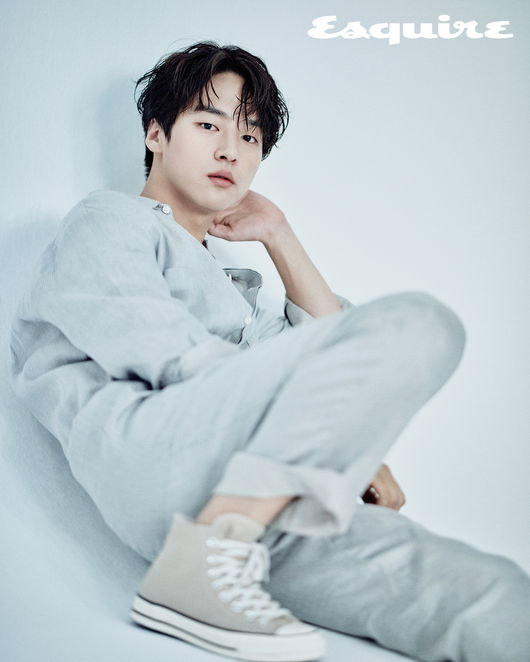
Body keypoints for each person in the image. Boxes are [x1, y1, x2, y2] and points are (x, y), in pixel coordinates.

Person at [8, 41, 530, 662]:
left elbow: (337, 346)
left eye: (251, 136)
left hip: (258, 511)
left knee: (493, 596)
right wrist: (338, 431)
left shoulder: (240, 295)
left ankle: (218, 552)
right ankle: (205, 561)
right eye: (209, 125)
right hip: (158, 456)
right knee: (422, 324)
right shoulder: (111, 219)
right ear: (156, 134)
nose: (232, 149)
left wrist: (280, 235)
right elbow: (163, 351)